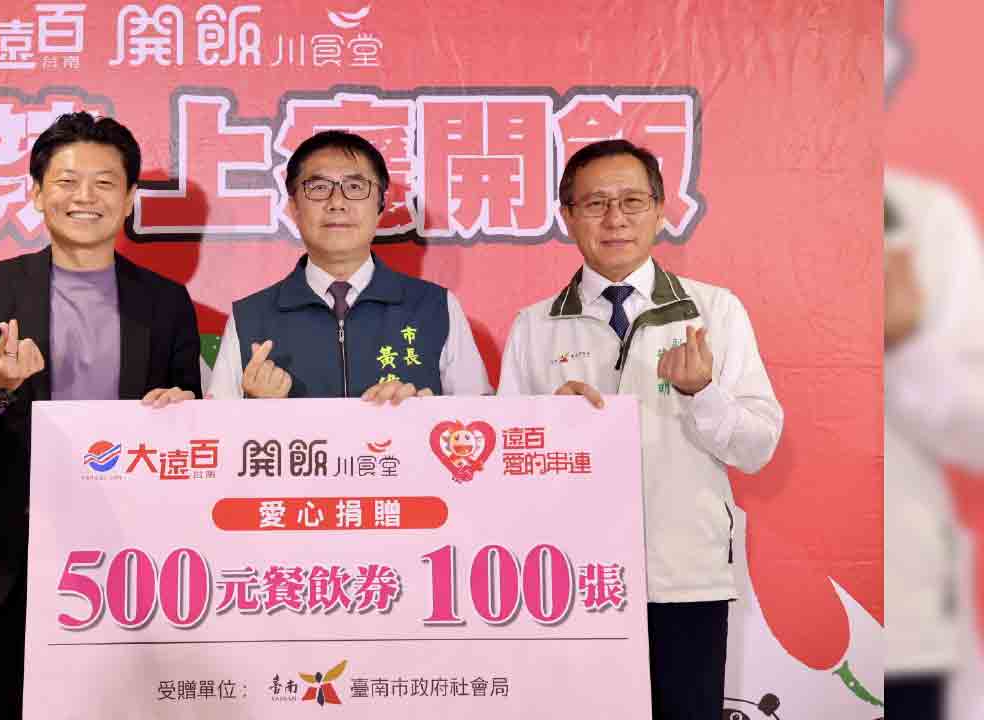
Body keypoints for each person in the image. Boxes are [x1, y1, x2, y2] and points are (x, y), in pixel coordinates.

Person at [496, 139, 783, 720]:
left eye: (632, 201)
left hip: (684, 578)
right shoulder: (533, 326)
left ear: (659, 210)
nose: (615, 218)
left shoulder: (714, 311)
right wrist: (548, 426)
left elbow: (758, 446)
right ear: (567, 215)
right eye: (595, 203)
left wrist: (702, 393)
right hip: (570, 581)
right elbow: (503, 467)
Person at [0, 112, 201, 717]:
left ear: (129, 198)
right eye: (67, 181)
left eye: (105, 183)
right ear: (36, 192)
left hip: (132, 562)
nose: (86, 197)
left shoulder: (166, 302)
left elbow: (189, 424)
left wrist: (182, 414)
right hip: (11, 556)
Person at [208, 130, 489, 402]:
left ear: (380, 206)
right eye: (319, 188)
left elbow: (481, 420)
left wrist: (422, 413)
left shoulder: (435, 307)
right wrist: (257, 410)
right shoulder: (250, 318)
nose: (337, 202)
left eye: (355, 187)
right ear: (294, 208)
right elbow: (213, 427)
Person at [884, 169, 984, 720]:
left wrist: (907, 346)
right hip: (715, 594)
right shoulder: (696, 214)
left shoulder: (918, 216)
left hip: (902, 627)